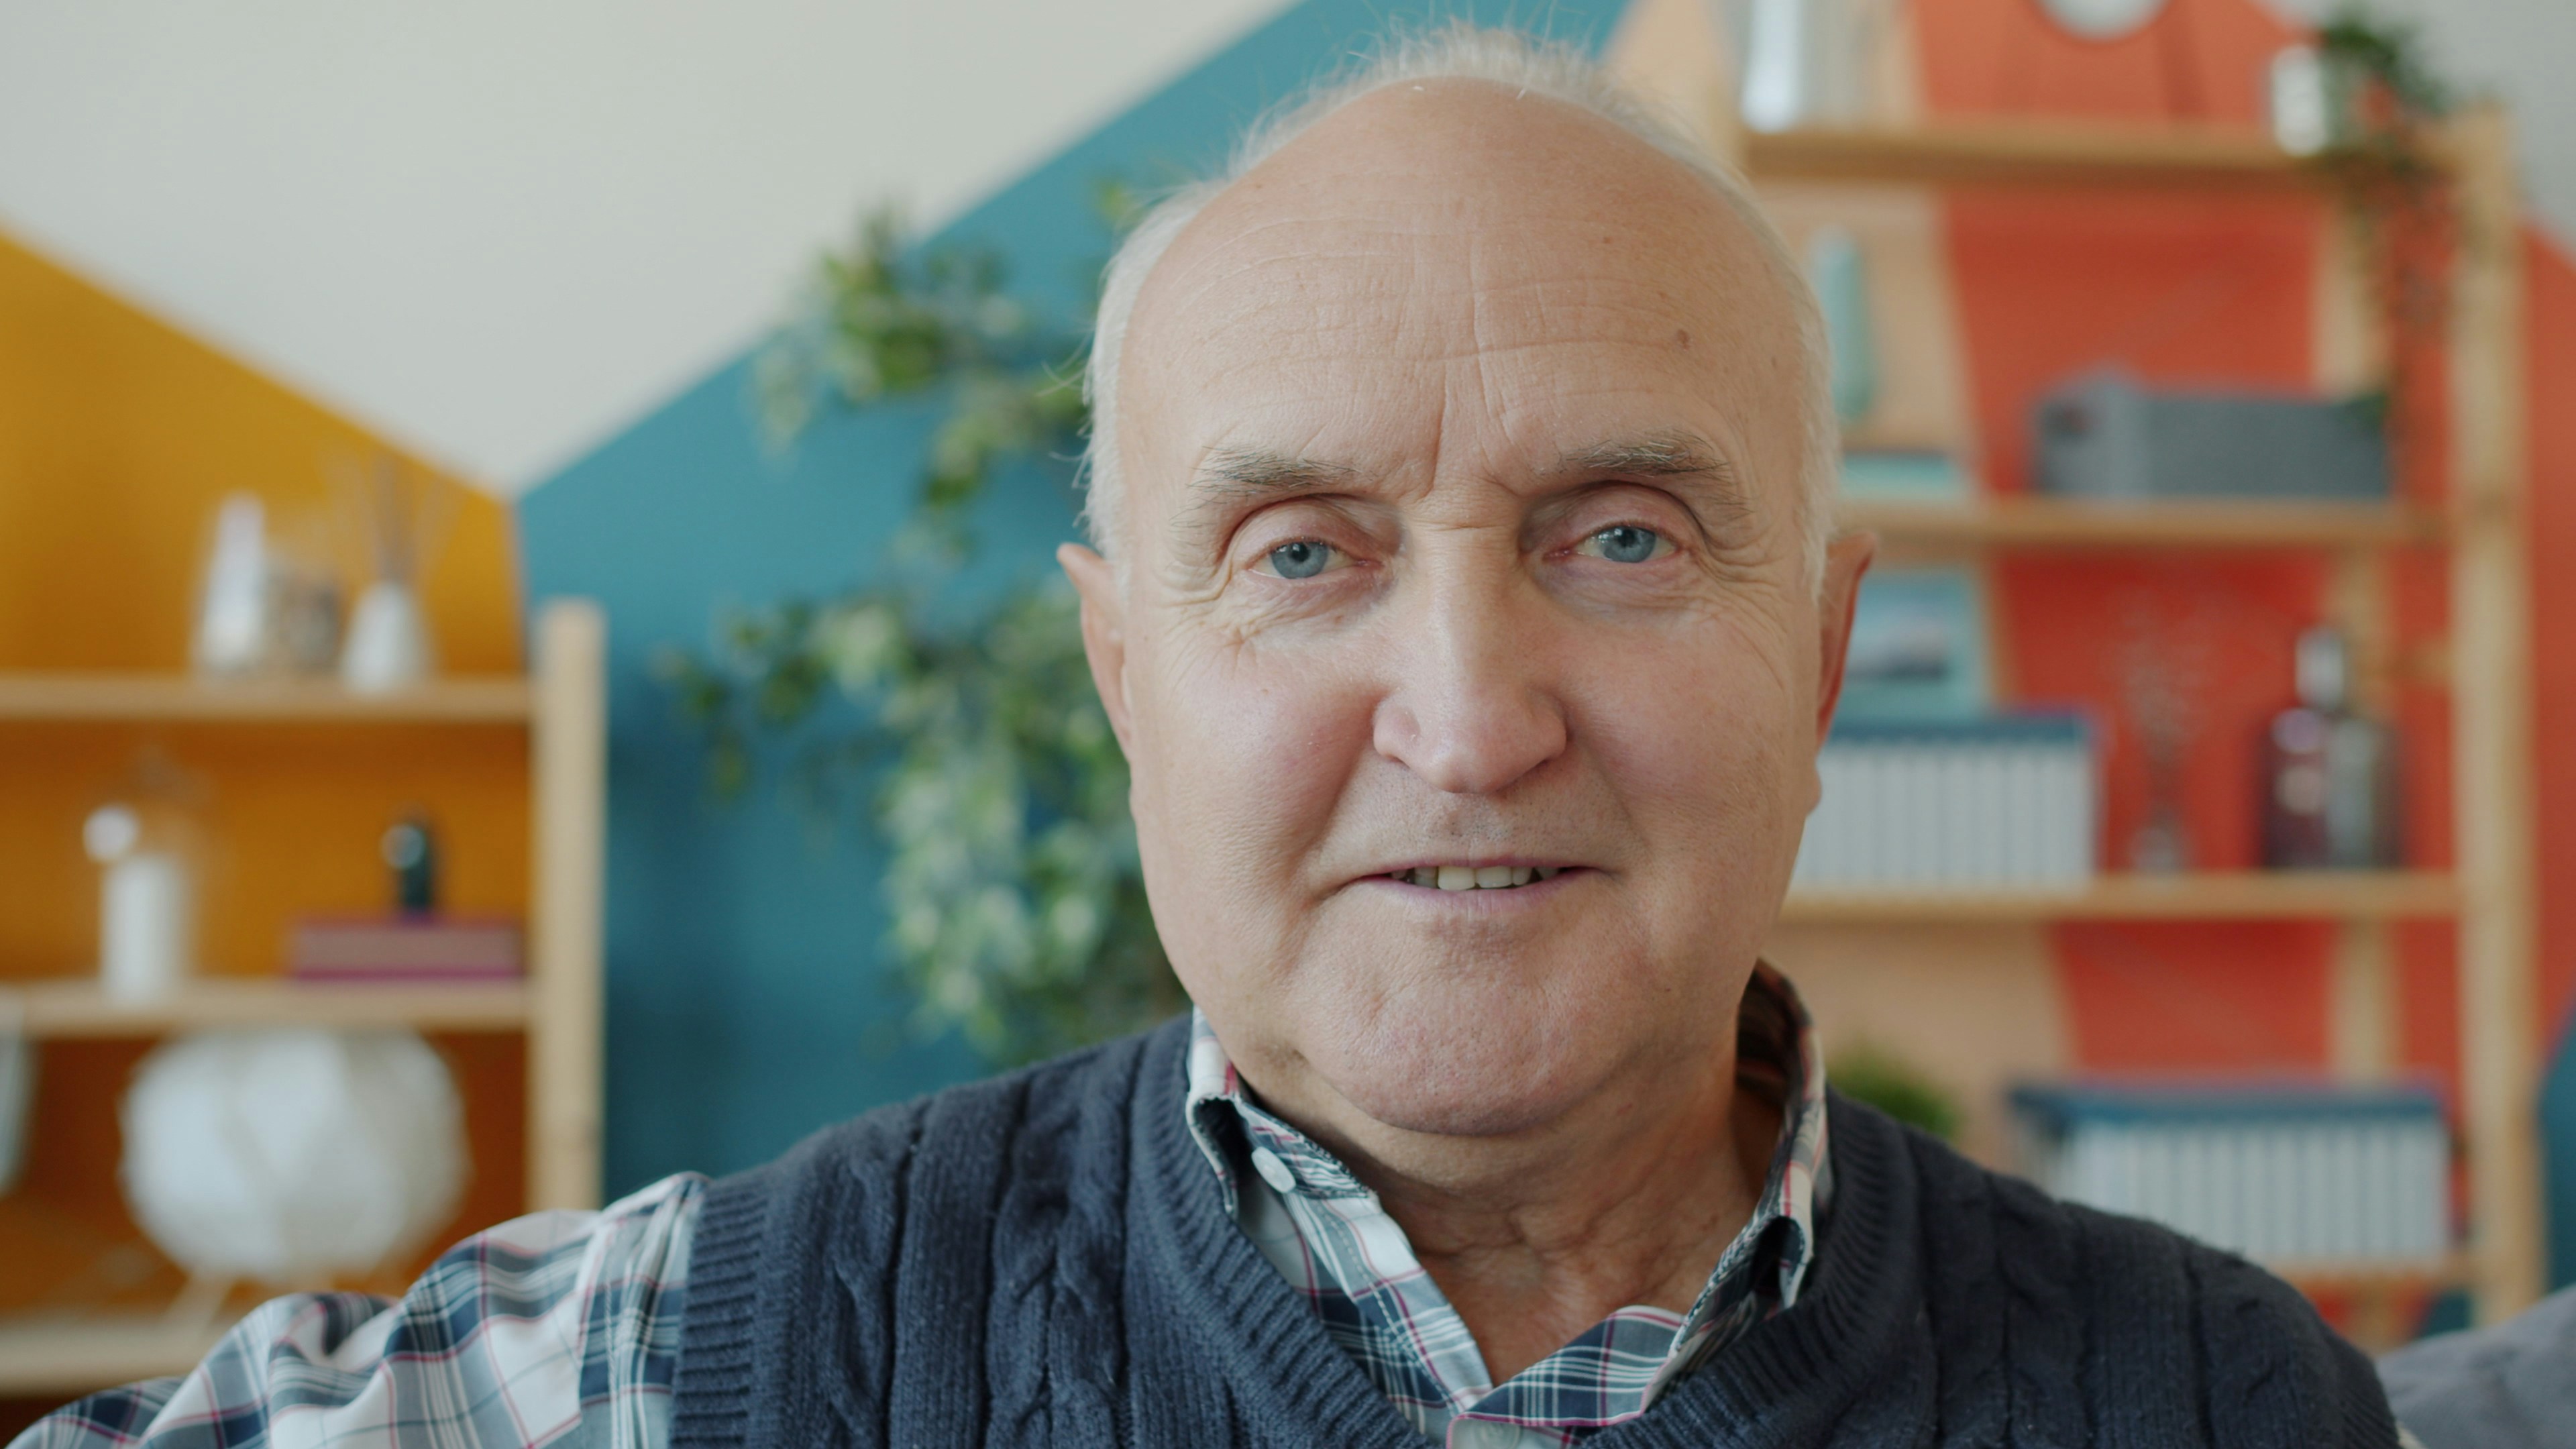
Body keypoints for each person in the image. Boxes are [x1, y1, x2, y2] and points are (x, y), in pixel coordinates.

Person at [21, 25, 2399, 1449]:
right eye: (1299, 554)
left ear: (1825, 662)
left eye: (1628, 537)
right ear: (1125, 681)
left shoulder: (2212, 1401)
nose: (1468, 723)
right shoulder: (730, 1359)